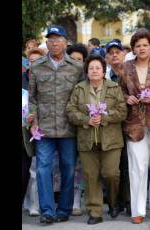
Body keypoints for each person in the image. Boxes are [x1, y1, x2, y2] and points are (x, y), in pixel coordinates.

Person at [28, 25, 84, 224]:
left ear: (65, 42)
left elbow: (82, 96)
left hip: (69, 128)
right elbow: (32, 98)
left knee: (68, 168)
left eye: (58, 39)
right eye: (50, 39)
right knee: (44, 169)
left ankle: (64, 209)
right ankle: (47, 211)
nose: (54, 43)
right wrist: (33, 121)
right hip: (44, 128)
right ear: (47, 43)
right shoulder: (36, 66)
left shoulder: (77, 67)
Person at [117, 28, 150, 224]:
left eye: (145, 45)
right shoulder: (124, 67)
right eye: (138, 45)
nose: (141, 48)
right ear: (133, 48)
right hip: (134, 125)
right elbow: (117, 93)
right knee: (137, 168)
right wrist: (126, 98)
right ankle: (137, 210)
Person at [66, 54, 127, 225]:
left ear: (103, 71)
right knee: (90, 175)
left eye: (98, 68)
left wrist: (104, 117)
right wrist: (87, 120)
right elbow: (70, 111)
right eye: (91, 68)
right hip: (87, 140)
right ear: (86, 71)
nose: (94, 71)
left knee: (111, 173)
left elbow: (122, 111)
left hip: (111, 139)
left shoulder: (114, 87)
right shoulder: (79, 89)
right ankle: (95, 211)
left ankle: (114, 201)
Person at [104, 38, 132, 216]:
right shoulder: (102, 75)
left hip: (130, 124)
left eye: (117, 52)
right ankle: (114, 202)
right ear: (106, 57)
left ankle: (129, 201)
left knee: (128, 165)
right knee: (113, 168)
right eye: (111, 53)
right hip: (109, 126)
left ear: (124, 54)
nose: (114, 55)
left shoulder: (131, 72)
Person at [66, 42, 88, 216]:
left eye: (79, 60)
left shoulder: (90, 81)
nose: (75, 62)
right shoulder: (61, 77)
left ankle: (77, 200)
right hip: (65, 129)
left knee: (81, 167)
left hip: (84, 128)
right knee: (67, 166)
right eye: (72, 59)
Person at [22, 48, 45, 216]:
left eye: (37, 61)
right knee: (26, 171)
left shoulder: (47, 80)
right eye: (31, 61)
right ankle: (27, 201)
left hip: (43, 130)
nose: (34, 64)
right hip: (24, 133)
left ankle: (35, 203)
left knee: (38, 170)